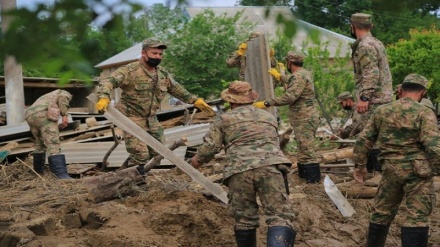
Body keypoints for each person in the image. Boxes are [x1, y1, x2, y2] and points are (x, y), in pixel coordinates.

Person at [190, 81, 296, 247]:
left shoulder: (224, 119)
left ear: (230, 101)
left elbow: (211, 147)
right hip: (271, 167)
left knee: (245, 220)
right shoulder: (268, 116)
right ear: (251, 98)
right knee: (280, 216)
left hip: (239, 171)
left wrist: (196, 160)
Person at [95, 38, 215, 172]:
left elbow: (177, 89)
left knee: (158, 153)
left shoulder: (162, 74)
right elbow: (108, 82)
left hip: (151, 119)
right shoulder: (130, 71)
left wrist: (195, 100)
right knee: (140, 155)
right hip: (131, 118)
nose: (158, 57)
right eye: (154, 53)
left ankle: (128, 174)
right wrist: (104, 97)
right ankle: (124, 178)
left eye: (160, 54)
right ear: (143, 53)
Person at [352, 73, 440, 247]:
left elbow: (363, 140)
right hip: (418, 172)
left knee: (381, 213)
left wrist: (360, 166)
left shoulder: (382, 111)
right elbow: (433, 145)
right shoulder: (424, 112)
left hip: (390, 169)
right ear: (422, 92)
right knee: (417, 217)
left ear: (400, 90)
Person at [254, 51, 321, 183]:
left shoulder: (298, 76)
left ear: (289, 63)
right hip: (304, 117)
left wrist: (268, 103)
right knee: (303, 148)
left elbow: (290, 96)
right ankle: (304, 177)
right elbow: (293, 81)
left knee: (307, 150)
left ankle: (313, 181)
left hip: (305, 118)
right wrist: (280, 77)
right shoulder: (303, 73)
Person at [350, 13, 393, 128]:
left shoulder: (365, 46)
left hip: (374, 101)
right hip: (384, 99)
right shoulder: (376, 42)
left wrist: (364, 98)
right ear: (371, 26)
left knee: (367, 139)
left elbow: (371, 73)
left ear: (352, 26)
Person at [25, 89, 73, 179]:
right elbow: (63, 99)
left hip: (30, 115)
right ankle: (61, 176)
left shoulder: (47, 96)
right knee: (53, 143)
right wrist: (65, 116)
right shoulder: (64, 93)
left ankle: (38, 173)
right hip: (43, 113)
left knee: (40, 143)